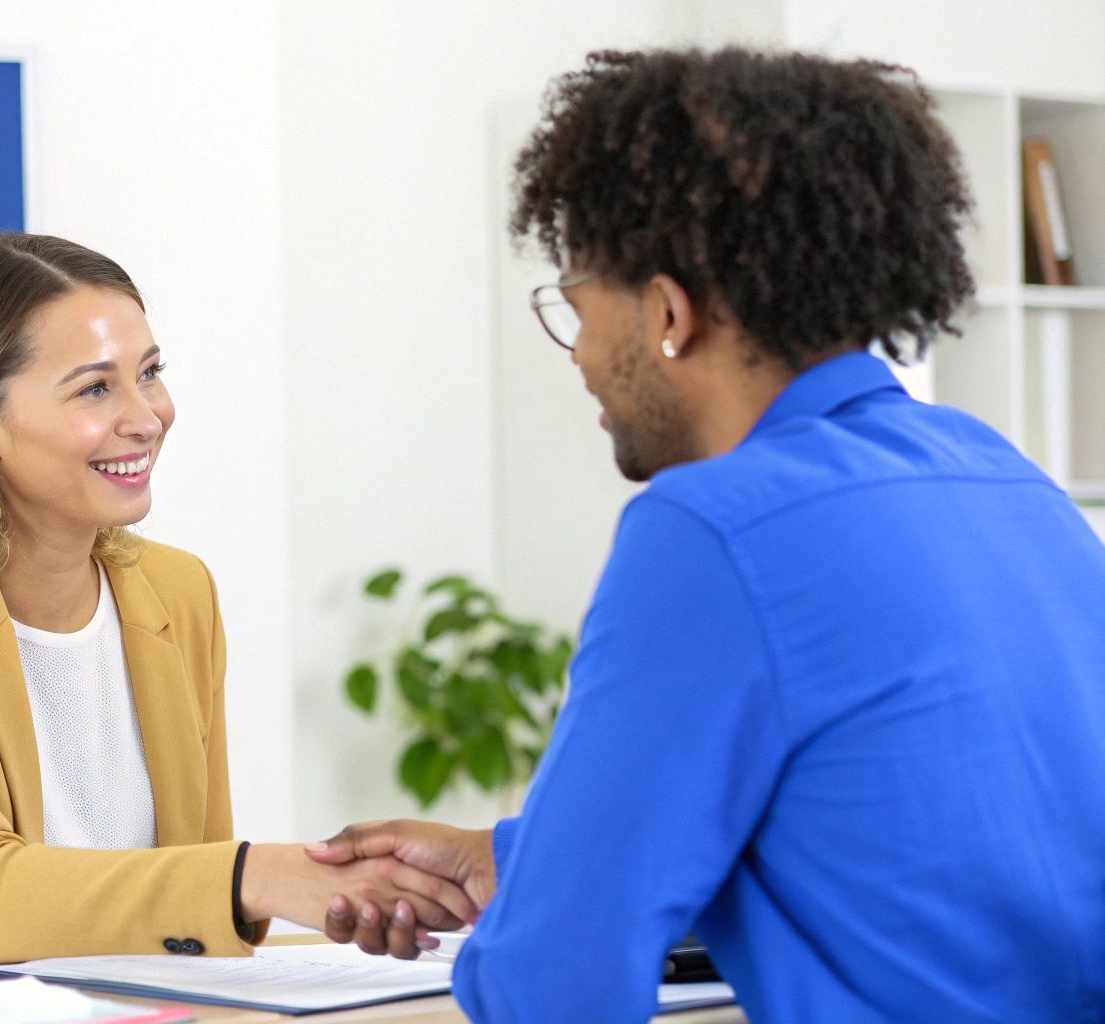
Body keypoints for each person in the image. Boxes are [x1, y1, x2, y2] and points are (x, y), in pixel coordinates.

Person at [307, 49, 1105, 1022]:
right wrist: (508, 858)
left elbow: (551, 987)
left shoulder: (713, 529)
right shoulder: (996, 476)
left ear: (666, 311)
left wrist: (521, 933)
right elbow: (898, 832)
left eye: (577, 309)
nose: (584, 362)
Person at [0, 232, 476, 973]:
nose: (147, 416)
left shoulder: (179, 591)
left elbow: (191, 898)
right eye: (95, 388)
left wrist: (334, 883)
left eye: (150, 373)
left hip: (130, 1002)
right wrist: (262, 876)